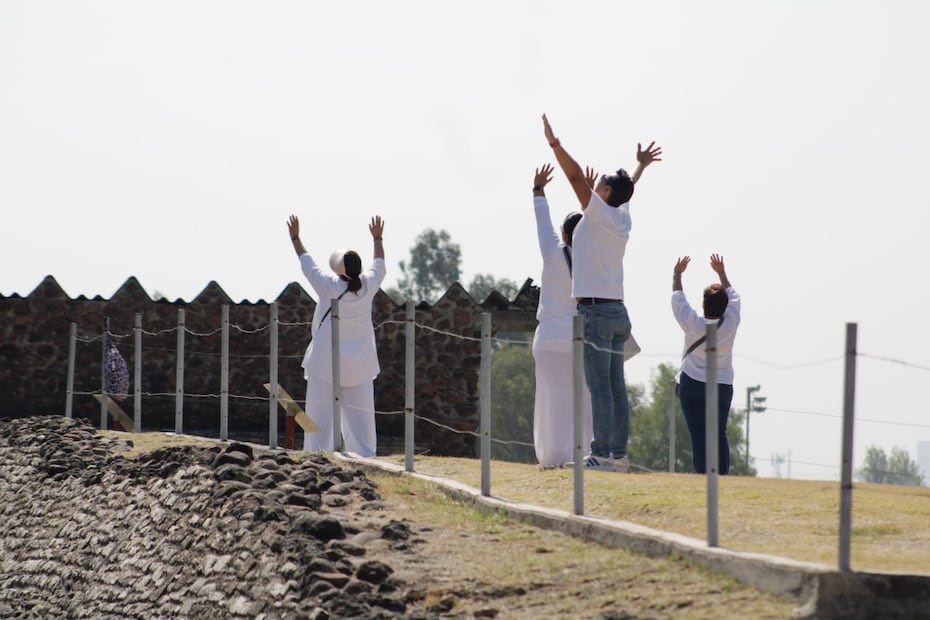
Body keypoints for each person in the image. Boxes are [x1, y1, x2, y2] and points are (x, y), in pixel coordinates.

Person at [542, 113, 661, 473]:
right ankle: (618, 454)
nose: (597, 185)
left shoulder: (596, 214)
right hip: (618, 311)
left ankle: (602, 453)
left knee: (600, 387)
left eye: (602, 184)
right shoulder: (621, 216)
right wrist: (639, 168)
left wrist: (554, 144)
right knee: (616, 387)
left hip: (594, 312)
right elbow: (627, 190)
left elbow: (575, 176)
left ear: (605, 193)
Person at [287, 214, 386, 457]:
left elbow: (308, 264)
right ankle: (365, 455)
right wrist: (377, 238)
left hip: (325, 362)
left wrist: (296, 238)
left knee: (319, 418)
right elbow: (380, 264)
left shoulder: (328, 286)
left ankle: (317, 454)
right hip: (360, 364)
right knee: (362, 420)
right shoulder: (368, 286)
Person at [531, 163, 593, 468]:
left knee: (551, 400)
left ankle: (551, 457)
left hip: (548, 338)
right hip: (579, 339)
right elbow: (599, 227)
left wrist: (538, 190)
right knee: (582, 400)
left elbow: (543, 223)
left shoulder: (552, 253)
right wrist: (590, 195)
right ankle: (580, 454)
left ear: (564, 234)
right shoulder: (593, 261)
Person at [671, 253, 741, 474]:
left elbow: (677, 299)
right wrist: (721, 273)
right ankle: (723, 477)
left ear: (703, 305)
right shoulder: (730, 323)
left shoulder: (693, 324)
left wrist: (677, 274)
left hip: (692, 383)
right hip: (721, 384)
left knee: (698, 433)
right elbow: (734, 297)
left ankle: (702, 475)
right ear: (725, 306)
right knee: (719, 433)